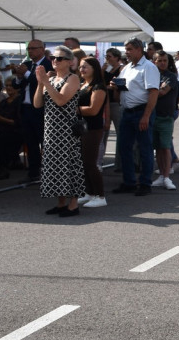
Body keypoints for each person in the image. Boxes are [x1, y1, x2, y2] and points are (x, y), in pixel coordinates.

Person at [33, 45, 85, 217]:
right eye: (53, 58)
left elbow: (61, 100)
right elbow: (37, 103)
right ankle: (61, 202)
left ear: (70, 62)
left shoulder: (73, 79)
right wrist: (41, 83)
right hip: (51, 129)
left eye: (60, 58)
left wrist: (46, 82)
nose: (55, 61)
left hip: (66, 130)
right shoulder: (52, 79)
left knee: (69, 165)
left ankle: (73, 204)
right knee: (54, 166)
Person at [113, 38, 160, 196]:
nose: (126, 52)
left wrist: (146, 116)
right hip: (127, 112)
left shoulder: (148, 67)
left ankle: (145, 182)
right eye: (126, 49)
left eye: (130, 49)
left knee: (145, 148)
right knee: (124, 148)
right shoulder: (127, 68)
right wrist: (116, 86)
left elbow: (153, 92)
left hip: (141, 111)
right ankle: (129, 181)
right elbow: (123, 89)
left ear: (139, 49)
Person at [13, 39, 52, 181]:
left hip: (41, 110)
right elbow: (16, 85)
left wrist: (27, 74)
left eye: (33, 48)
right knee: (30, 142)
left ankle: (49, 171)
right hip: (26, 108)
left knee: (44, 141)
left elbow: (43, 83)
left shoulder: (48, 65)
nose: (30, 51)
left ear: (42, 49)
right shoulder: (27, 65)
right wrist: (18, 77)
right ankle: (33, 171)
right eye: (29, 49)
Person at [77, 57, 109, 208]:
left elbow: (93, 110)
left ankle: (100, 195)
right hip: (82, 128)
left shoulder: (98, 87)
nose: (82, 69)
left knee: (90, 163)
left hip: (93, 129)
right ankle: (89, 193)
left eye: (85, 67)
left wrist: (73, 109)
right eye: (81, 67)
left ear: (94, 68)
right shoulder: (83, 85)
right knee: (83, 162)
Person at [150, 51, 178, 191]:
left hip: (166, 117)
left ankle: (167, 177)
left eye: (165, 60)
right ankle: (161, 175)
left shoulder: (171, 76)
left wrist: (150, 91)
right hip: (153, 115)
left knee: (166, 147)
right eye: (159, 60)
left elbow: (162, 92)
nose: (162, 63)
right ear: (154, 61)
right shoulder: (151, 75)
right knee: (158, 148)